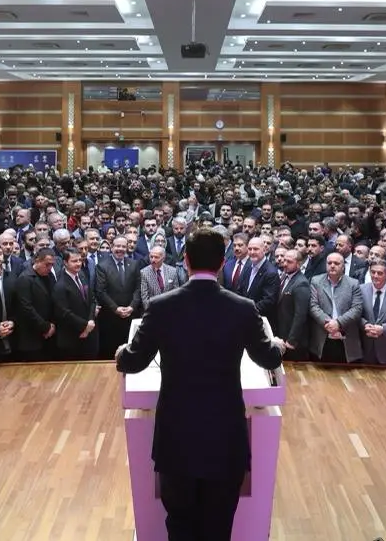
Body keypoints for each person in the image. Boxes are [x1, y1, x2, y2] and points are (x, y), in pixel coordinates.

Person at [115, 228, 285, 541]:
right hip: (225, 438)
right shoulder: (243, 308)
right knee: (218, 527)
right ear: (221, 263)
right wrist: (279, 347)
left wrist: (120, 353)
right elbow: (268, 357)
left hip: (176, 438)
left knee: (180, 525)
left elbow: (132, 362)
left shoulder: (161, 306)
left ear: (186, 261)